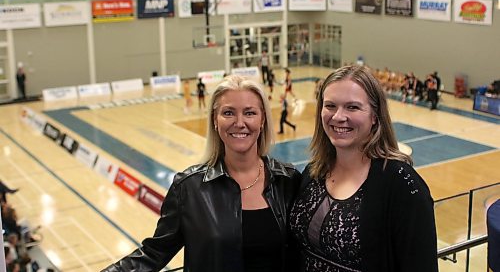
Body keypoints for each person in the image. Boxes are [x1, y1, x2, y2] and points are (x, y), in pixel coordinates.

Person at [102, 75, 301, 272]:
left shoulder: (288, 180)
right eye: (228, 113)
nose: (240, 123)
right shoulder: (189, 188)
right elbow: (154, 254)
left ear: (263, 119)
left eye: (249, 113)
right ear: (215, 120)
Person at [289, 65, 438, 272]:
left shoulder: (402, 184)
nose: (338, 116)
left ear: (375, 116)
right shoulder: (314, 171)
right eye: (330, 106)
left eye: (352, 107)